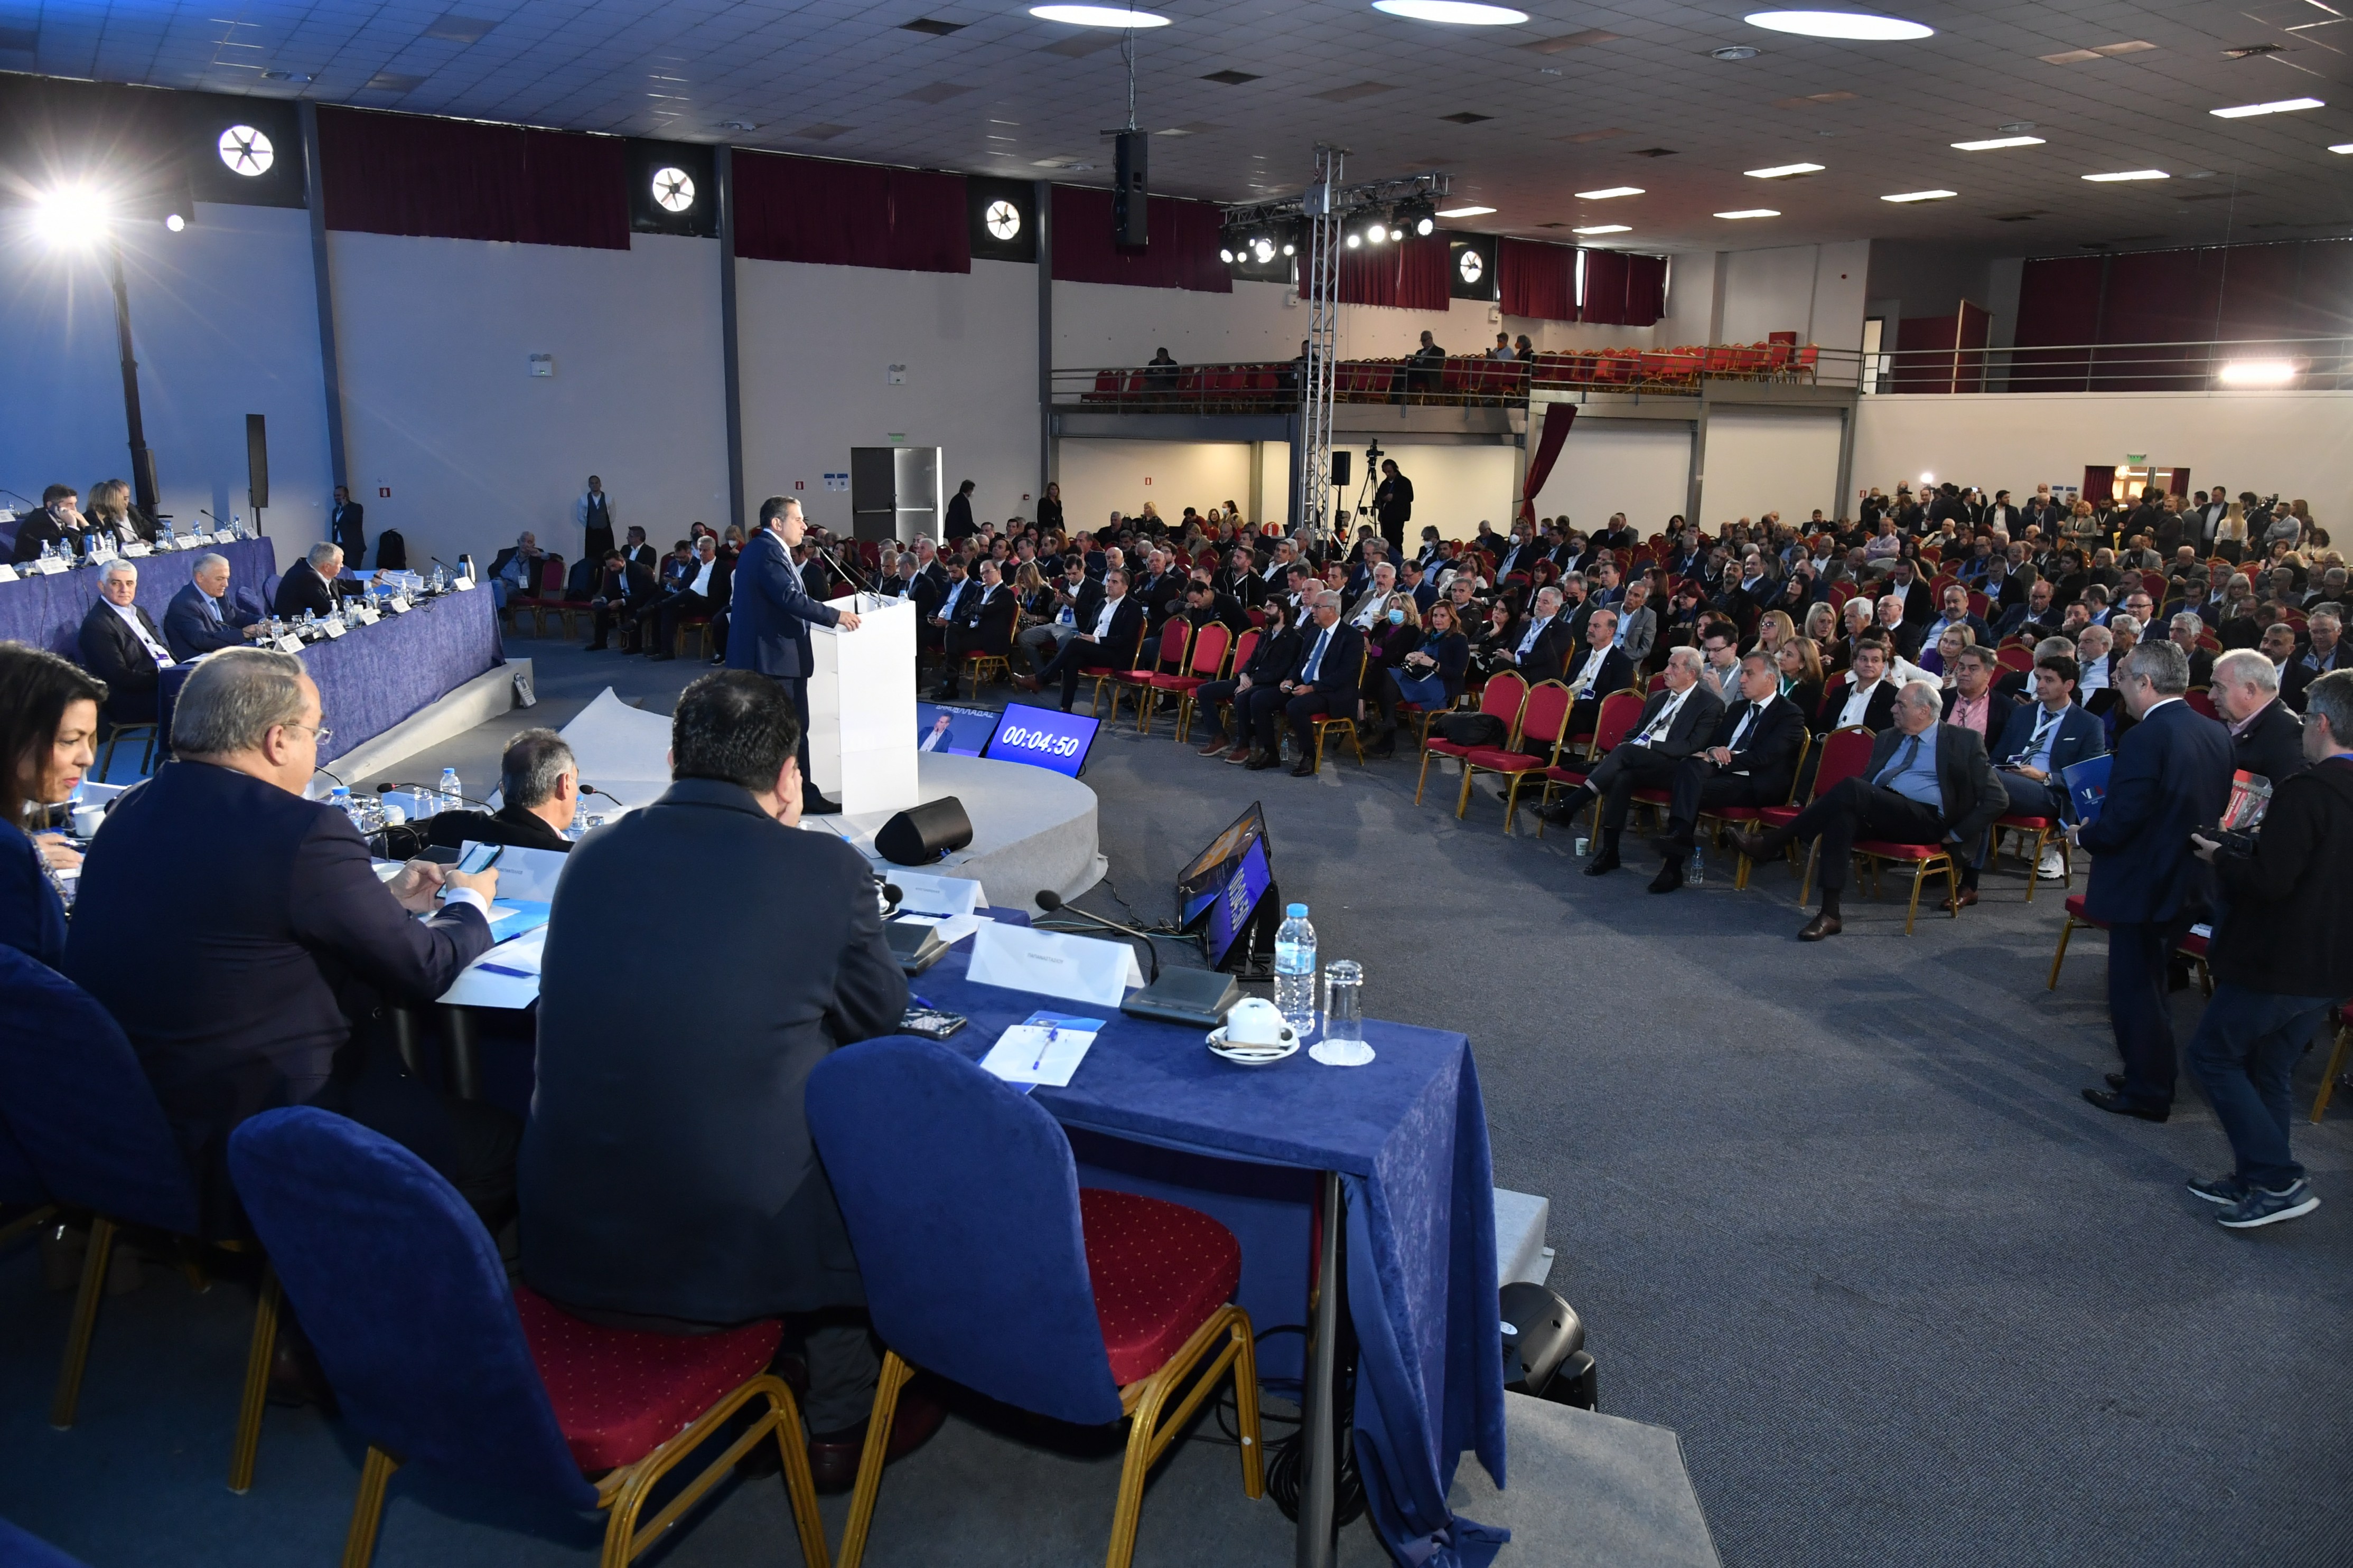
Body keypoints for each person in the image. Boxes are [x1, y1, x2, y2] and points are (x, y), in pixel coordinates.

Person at [521, 671, 937, 1490]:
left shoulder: (594, 853)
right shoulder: (824, 868)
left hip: (566, 1233)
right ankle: (839, 1420)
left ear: (673, 760)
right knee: (863, 1146)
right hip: (724, 1254)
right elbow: (879, 1016)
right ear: (788, 777)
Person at [63, 648, 509, 1234]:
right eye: (316, 733)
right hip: (276, 1135)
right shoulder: (304, 830)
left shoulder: (128, 809)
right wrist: (469, 902)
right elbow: (424, 965)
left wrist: (384, 903)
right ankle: (385, 1272)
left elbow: (240, 921)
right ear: (278, 740)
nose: (318, 749)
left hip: (137, 1132)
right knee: (503, 1146)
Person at [2179, 669, 2353, 1228]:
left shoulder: (2307, 789)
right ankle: (2256, 1173)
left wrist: (2220, 857)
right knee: (2268, 1067)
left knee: (2210, 1056)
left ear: (2321, 723)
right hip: (2332, 964)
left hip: (2280, 959)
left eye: (2305, 718)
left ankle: (2277, 1178)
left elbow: (2271, 881)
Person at [2069, 641, 2236, 1121]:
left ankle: (2147, 1092)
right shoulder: (2215, 731)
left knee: (2135, 990)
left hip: (2144, 884)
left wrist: (2084, 836)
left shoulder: (2146, 737)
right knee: (2153, 983)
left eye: (2122, 676)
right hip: (2189, 878)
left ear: (2145, 682)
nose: (2117, 683)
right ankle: (2153, 1073)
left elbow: (2124, 819)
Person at [1728, 680, 2006, 940]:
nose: (1892, 709)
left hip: (1926, 819)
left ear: (1924, 711)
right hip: (1882, 808)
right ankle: (1830, 914)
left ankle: (1774, 842)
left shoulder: (1963, 741)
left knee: (1853, 787)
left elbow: (1997, 799)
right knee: (1841, 819)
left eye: (1901, 705)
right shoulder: (1887, 737)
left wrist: (1957, 834)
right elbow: (1871, 781)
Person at [1539, 648, 1726, 887]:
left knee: (1625, 753)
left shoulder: (1709, 704)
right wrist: (1635, 745)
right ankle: (1610, 851)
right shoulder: (1657, 697)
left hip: (1676, 767)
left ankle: (1570, 806)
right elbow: (1634, 732)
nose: (1665, 671)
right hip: (1639, 761)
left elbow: (1692, 746)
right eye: (1667, 665)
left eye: (1673, 667)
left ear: (1691, 674)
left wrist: (1647, 745)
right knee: (1622, 776)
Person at [730, 497, 863, 814]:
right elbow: (788, 597)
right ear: (777, 523)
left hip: (766, 656)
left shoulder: (761, 549)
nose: (805, 526)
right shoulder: (768, 552)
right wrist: (836, 616)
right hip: (774, 660)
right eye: (799, 519)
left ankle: (771, 793)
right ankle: (799, 795)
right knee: (791, 729)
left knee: (772, 731)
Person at [1646, 649, 1809, 885]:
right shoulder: (1737, 708)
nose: (1742, 680)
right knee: (1690, 767)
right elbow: (1712, 743)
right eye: (1742, 673)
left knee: (1688, 785)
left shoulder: (1789, 714)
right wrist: (1714, 751)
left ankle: (1675, 857)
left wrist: (1723, 758)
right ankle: (1678, 847)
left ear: (1770, 679)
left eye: (1749, 674)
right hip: (1720, 774)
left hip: (1755, 783)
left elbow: (1765, 757)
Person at [0, 646, 106, 964]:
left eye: (89, 740)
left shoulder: (15, 845)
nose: (87, 758)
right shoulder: (10, 854)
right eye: (69, 740)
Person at [423, 729, 581, 854]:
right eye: (575, 779)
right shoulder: (571, 857)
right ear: (565, 785)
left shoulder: (450, 825)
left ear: (502, 788)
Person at [1193, 596, 1304, 766]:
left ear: (1282, 611)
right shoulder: (1266, 634)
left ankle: (1243, 745)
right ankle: (1219, 737)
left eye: (1270, 607)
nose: (1265, 611)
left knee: (1243, 698)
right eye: (1266, 606)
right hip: (1249, 679)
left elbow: (1282, 670)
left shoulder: (1294, 639)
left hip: (1270, 684)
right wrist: (1244, 675)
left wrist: (1252, 680)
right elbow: (1251, 660)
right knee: (1204, 691)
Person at [1272, 591, 1367, 776]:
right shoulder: (1313, 632)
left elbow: (1345, 674)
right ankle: (1269, 752)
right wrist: (1290, 679)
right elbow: (1300, 663)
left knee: (1296, 706)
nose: (1312, 611)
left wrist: (1312, 688)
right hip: (1304, 686)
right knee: (1260, 698)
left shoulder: (1352, 637)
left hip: (1332, 693)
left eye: (1317, 607)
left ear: (1332, 610)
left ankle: (1309, 756)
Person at [73, 560, 173, 731]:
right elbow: (121, 677)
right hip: (134, 699)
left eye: (129, 583)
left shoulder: (139, 611)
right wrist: (167, 678)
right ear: (102, 586)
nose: (124, 589)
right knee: (200, 698)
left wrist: (183, 669)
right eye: (116, 583)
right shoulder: (97, 625)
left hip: (163, 681)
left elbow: (162, 649)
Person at [1365, 598, 1469, 756]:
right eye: (1435, 616)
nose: (1438, 619)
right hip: (1415, 676)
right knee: (1384, 677)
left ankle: (1385, 732)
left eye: (1443, 616)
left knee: (1385, 685)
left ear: (1452, 619)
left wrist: (1433, 664)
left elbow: (1457, 673)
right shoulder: (1427, 634)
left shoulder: (1459, 640)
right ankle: (1387, 728)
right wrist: (1410, 657)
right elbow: (1410, 653)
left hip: (1437, 683)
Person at [2209, 648, 2309, 786]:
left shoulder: (2287, 737)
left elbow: (2291, 794)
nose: (2211, 696)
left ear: (2250, 690)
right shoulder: (2226, 722)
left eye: (2219, 688)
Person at [642, 533, 732, 662]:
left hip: (710, 604)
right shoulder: (697, 566)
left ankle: (652, 608)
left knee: (688, 593)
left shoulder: (723, 567)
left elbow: (728, 591)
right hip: (691, 602)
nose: (702, 553)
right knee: (668, 608)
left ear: (713, 550)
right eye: (700, 550)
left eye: (705, 550)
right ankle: (666, 650)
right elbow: (685, 583)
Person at [935, 559, 1016, 700]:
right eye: (982, 574)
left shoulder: (1006, 593)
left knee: (953, 644)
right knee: (951, 628)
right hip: (975, 632)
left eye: (987, 572)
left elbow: (987, 610)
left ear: (999, 572)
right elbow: (965, 611)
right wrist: (978, 611)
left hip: (991, 638)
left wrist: (976, 609)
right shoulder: (980, 590)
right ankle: (951, 684)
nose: (984, 576)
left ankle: (951, 684)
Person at [163, 551, 264, 662]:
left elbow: (236, 617)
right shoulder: (184, 604)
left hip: (226, 657)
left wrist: (263, 622)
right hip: (202, 665)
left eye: (227, 578)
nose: (226, 584)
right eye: (219, 579)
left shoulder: (218, 594)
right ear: (200, 577)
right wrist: (243, 634)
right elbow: (201, 640)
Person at [585, 548, 660, 653]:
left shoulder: (638, 569)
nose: (612, 569)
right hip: (625, 599)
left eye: (614, 565)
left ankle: (635, 646)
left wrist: (621, 601)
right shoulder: (613, 571)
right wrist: (603, 599)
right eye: (609, 567)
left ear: (621, 560)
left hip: (643, 600)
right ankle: (600, 642)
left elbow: (642, 593)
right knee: (602, 609)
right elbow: (612, 590)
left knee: (634, 609)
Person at [8, 484, 89, 564]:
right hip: (29, 570)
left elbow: (87, 552)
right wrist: (72, 525)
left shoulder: (66, 519)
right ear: (50, 505)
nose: (74, 509)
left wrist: (86, 525)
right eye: (69, 504)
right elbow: (63, 554)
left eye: (75, 504)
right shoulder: (38, 523)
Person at [273, 541, 352, 619]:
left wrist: (361, 587)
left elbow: (341, 585)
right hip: (295, 626)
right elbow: (330, 606)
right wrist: (356, 604)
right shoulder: (306, 578)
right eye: (340, 563)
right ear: (327, 567)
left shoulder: (309, 570)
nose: (342, 566)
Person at [1373, 458, 1413, 556]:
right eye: (1385, 472)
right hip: (1385, 517)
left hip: (1398, 517)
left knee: (1396, 541)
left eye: (1389, 472)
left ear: (1395, 469)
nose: (1387, 474)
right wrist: (1382, 500)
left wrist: (1394, 497)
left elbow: (1410, 497)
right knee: (1385, 541)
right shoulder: (1384, 484)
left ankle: (1397, 559)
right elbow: (1378, 497)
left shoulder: (1405, 482)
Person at [576, 475, 617, 566]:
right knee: (592, 557)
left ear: (600, 484)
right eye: (592, 483)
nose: (595, 485)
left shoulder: (609, 498)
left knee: (609, 556)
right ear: (589, 485)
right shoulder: (583, 499)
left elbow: (613, 515)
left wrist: (605, 524)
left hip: (606, 532)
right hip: (592, 533)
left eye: (596, 483)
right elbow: (580, 516)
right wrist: (590, 525)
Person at [329, 485, 366, 565]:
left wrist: (345, 507)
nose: (336, 498)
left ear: (346, 496)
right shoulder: (336, 511)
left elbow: (354, 520)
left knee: (352, 569)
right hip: (339, 547)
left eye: (339, 495)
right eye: (335, 496)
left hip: (353, 548)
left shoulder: (357, 507)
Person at [944, 478, 977, 542]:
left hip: (954, 533)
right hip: (960, 534)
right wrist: (978, 530)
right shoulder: (963, 501)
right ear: (969, 490)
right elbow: (966, 519)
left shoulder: (957, 498)